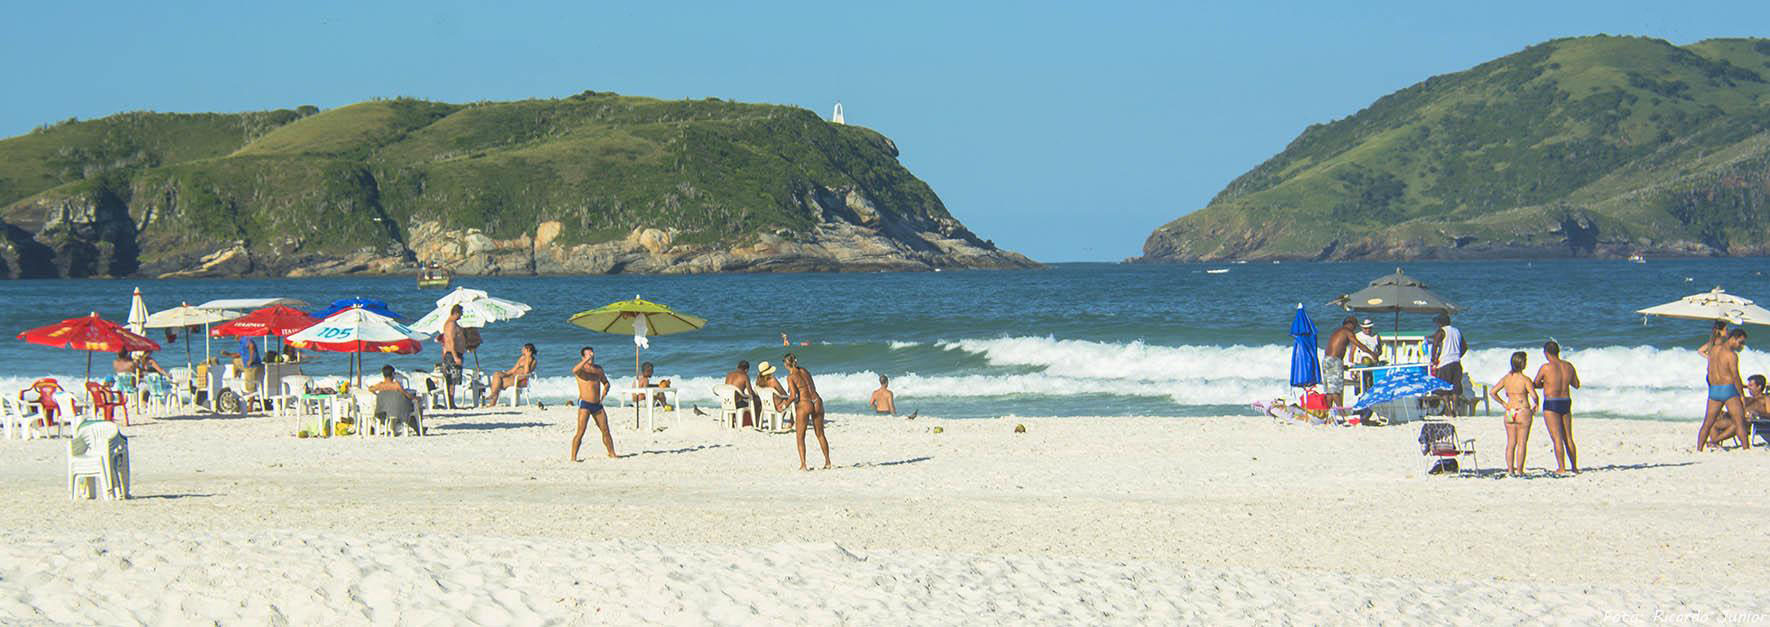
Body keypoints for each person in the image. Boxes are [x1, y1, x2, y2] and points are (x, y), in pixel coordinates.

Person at [1697, 329, 1751, 451]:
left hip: (1714, 390)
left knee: (1707, 422)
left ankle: (1699, 449)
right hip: (1728, 390)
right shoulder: (1731, 355)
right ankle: (1746, 449)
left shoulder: (1713, 350)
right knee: (1740, 421)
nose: (1741, 346)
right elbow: (1735, 376)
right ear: (1733, 338)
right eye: (1740, 342)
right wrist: (1741, 395)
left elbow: (1709, 371)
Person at [1532, 340, 1581, 474]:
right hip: (1566, 401)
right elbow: (1576, 384)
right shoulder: (1568, 366)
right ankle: (1574, 467)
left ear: (1546, 353)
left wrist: (1545, 383)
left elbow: (1535, 383)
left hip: (1551, 402)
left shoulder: (1546, 367)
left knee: (1557, 438)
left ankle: (1561, 467)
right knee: (1568, 437)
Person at [1490, 351, 1538, 477]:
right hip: (1522, 410)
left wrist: (1503, 403)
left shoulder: (1506, 378)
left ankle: (1510, 470)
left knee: (1511, 443)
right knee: (1522, 442)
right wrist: (1536, 404)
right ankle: (1520, 471)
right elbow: (1534, 395)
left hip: (1510, 411)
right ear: (1522, 364)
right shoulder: (1525, 379)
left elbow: (1492, 392)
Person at [784, 353, 831, 470]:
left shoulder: (790, 377)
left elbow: (793, 395)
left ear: (786, 364)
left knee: (800, 437)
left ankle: (803, 464)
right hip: (817, 400)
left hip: (804, 403)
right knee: (820, 434)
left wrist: (784, 405)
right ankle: (828, 462)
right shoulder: (804, 370)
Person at [569, 346, 616, 461]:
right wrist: (585, 361)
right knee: (580, 431)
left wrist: (606, 388)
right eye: (588, 354)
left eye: (592, 354)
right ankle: (573, 458)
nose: (591, 356)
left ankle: (612, 453)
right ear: (583, 357)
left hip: (597, 405)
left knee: (605, 430)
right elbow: (574, 370)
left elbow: (605, 382)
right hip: (585, 404)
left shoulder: (598, 369)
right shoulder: (581, 369)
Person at [1323, 316, 1378, 407]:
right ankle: (1342, 414)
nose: (1355, 328)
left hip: (1327, 360)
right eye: (1355, 326)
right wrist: (1372, 354)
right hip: (1335, 361)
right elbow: (1359, 345)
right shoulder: (1347, 332)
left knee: (1330, 390)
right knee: (1336, 391)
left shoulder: (1338, 331)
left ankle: (1327, 414)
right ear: (1351, 324)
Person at [1429, 313, 1468, 417]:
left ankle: (1449, 410)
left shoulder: (1441, 331)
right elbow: (1465, 347)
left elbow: (1435, 345)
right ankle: (1455, 410)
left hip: (1445, 362)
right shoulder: (1457, 331)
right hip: (1456, 362)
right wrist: (1458, 355)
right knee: (1455, 388)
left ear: (1440, 323)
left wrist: (1434, 359)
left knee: (1444, 388)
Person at [369, 365, 420, 435]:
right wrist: (415, 398)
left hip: (384, 413)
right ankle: (419, 429)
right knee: (411, 412)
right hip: (398, 413)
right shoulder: (396, 385)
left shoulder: (380, 385)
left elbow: (370, 389)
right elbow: (406, 394)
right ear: (393, 374)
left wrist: (377, 394)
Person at [440, 304, 466, 409]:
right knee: (452, 380)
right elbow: (451, 341)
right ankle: (451, 403)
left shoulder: (453, 323)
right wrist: (455, 356)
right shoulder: (451, 324)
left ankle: (451, 402)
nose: (462, 316)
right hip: (452, 355)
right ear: (456, 313)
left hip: (453, 353)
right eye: (461, 313)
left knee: (453, 380)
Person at [222, 336, 263, 401]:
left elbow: (251, 346)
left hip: (251, 366)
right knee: (235, 361)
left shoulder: (245, 339)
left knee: (250, 386)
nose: (234, 337)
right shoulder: (241, 342)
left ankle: (250, 406)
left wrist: (251, 360)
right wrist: (228, 354)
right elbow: (239, 355)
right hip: (245, 363)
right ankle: (236, 380)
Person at [724, 360, 759, 427]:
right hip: (737, 404)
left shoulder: (729, 374)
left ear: (738, 367)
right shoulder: (745, 376)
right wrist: (756, 396)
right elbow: (750, 392)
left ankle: (732, 420)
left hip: (726, 402)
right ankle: (755, 424)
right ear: (746, 369)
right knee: (757, 401)